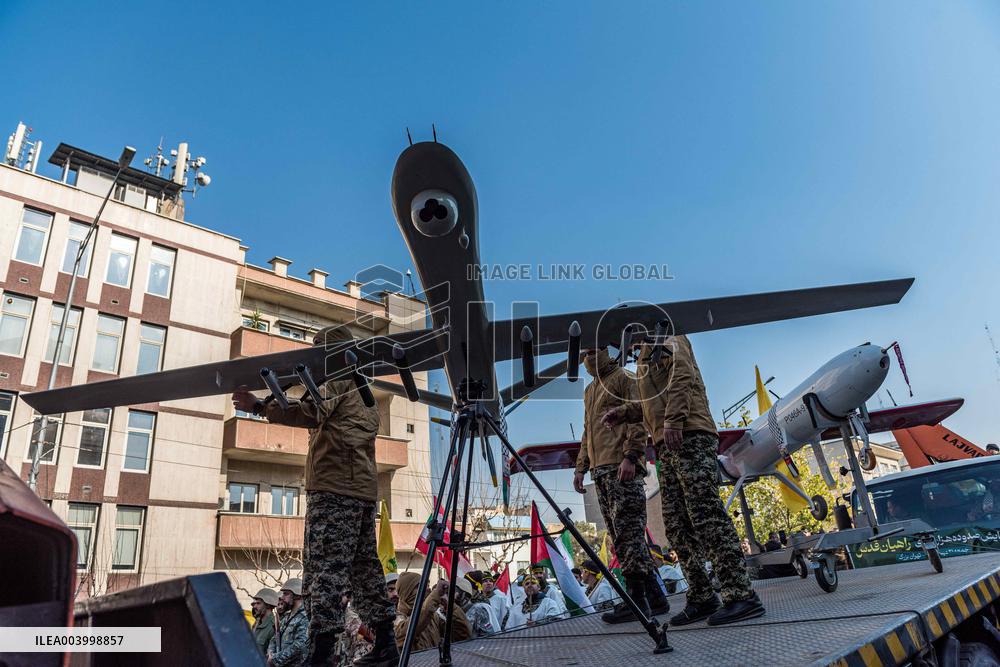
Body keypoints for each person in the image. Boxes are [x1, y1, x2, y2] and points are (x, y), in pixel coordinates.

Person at [233, 325, 397, 666]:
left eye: (317, 348)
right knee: (365, 570)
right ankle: (385, 647)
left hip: (334, 491)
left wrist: (260, 406)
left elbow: (309, 411)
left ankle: (320, 657)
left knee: (324, 572)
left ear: (328, 351)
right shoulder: (362, 388)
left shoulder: (336, 378)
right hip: (360, 492)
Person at [602, 334, 764, 627]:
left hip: (690, 433)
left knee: (705, 514)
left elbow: (683, 376)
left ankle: (741, 594)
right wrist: (623, 412)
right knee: (676, 525)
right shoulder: (642, 359)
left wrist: (674, 420)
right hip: (668, 443)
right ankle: (702, 596)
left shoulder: (669, 336)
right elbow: (650, 403)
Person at [574, 347, 669, 623]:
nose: (587, 357)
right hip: (600, 471)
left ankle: (637, 602)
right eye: (584, 352)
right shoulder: (590, 390)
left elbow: (638, 419)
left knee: (628, 536)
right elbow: (587, 431)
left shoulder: (624, 378)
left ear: (606, 350)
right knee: (622, 538)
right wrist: (581, 466)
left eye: (593, 350)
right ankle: (656, 599)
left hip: (620, 469)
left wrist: (631, 456)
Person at [393, 572, 441, 652]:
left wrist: (450, 606)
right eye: (419, 586)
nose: (427, 589)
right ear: (407, 592)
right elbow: (410, 631)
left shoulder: (432, 616)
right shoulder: (396, 620)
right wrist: (434, 598)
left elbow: (463, 634)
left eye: (427, 585)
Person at [267, 578, 309, 667]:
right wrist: (271, 654)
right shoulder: (286, 617)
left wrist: (275, 659)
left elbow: (300, 645)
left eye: (286, 594)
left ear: (297, 596)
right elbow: (274, 639)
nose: (282, 597)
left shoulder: (305, 617)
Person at [460, 573, 500, 637]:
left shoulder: (481, 603)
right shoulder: (466, 600)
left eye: (490, 581)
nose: (488, 583)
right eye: (485, 581)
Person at [250, 588, 279, 658]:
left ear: (268, 605)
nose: (254, 606)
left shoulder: (274, 626)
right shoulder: (256, 623)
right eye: (254, 603)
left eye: (258, 603)